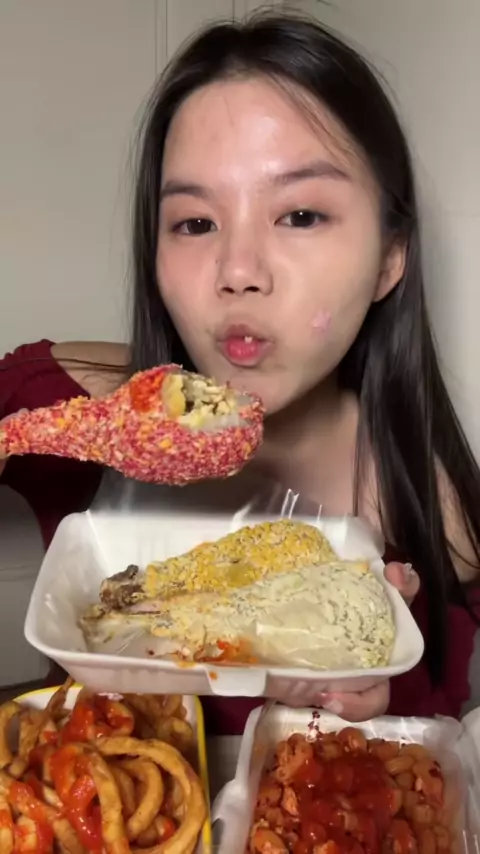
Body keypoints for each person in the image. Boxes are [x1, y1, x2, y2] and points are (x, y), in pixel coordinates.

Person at [1, 12, 479, 734]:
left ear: (390, 258)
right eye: (195, 223)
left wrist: (365, 727)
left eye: (301, 215)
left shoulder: (441, 527)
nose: (238, 270)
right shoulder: (57, 404)